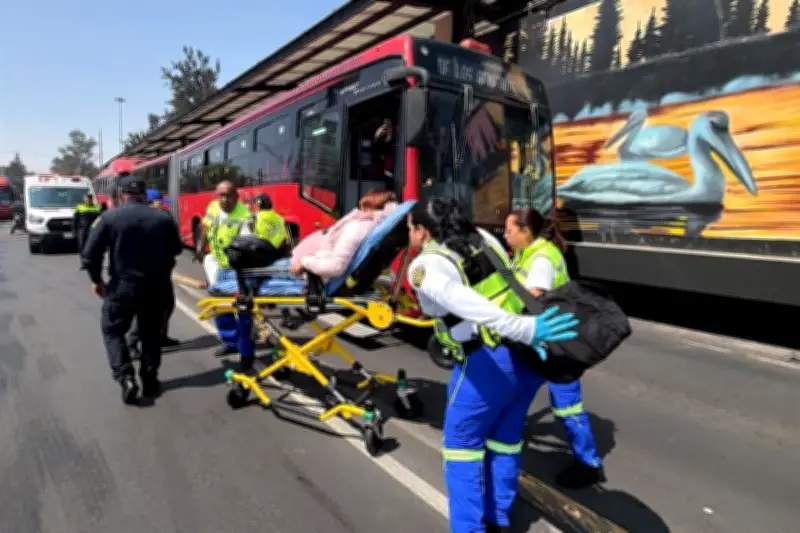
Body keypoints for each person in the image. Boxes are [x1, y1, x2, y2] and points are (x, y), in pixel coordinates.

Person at [405, 197, 580, 533]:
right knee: (506, 439)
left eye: (410, 228)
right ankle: (498, 517)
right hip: (525, 359)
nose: (408, 235)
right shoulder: (483, 238)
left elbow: (462, 300)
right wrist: (526, 331)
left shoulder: (425, 265)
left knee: (462, 450)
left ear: (423, 230)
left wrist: (522, 328)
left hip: (487, 360)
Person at [504, 208, 605, 489]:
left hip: (556, 345)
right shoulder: (531, 251)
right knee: (517, 394)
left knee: (567, 407)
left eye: (509, 230)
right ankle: (504, 440)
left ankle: (589, 465)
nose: (505, 235)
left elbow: (531, 299)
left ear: (525, 232)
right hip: (543, 341)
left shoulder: (541, 259)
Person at [82, 177, 183, 405]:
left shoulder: (108, 218)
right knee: (151, 334)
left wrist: (97, 280)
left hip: (123, 287)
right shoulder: (163, 218)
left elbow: (89, 256)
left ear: (121, 195)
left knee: (112, 331)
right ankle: (149, 378)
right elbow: (176, 249)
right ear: (144, 195)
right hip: (156, 287)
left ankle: (126, 377)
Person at [194, 180, 255, 359]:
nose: (223, 199)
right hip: (218, 264)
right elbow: (205, 227)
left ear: (236, 196)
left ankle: (246, 349)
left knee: (242, 308)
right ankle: (229, 342)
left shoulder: (245, 215)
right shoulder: (213, 207)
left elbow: (246, 246)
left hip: (237, 269)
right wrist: (200, 249)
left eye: (228, 195)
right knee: (219, 304)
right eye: (220, 195)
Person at [289, 189, 396, 280]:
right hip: (317, 266)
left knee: (273, 270)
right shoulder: (370, 226)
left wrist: (304, 262)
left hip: (315, 276)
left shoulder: (357, 228)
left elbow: (336, 267)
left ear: (368, 207)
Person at [127, 190, 180, 357]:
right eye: (159, 201)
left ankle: (161, 336)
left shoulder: (163, 217)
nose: (162, 203)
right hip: (147, 275)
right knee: (146, 311)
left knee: (168, 305)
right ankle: (132, 342)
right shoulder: (143, 221)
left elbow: (174, 243)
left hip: (163, 272)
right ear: (150, 202)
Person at [73, 193, 102, 260]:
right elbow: (75, 220)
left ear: (92, 199)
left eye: (89, 199)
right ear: (84, 199)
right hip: (82, 230)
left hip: (93, 230)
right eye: (86, 198)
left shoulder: (97, 207)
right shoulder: (79, 207)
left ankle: (92, 260)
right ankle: (83, 261)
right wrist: (74, 231)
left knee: (93, 245)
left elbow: (100, 219)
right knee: (82, 245)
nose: (88, 200)